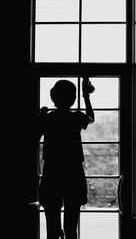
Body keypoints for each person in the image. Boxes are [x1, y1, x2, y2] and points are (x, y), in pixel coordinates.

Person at [37, 77, 95, 239]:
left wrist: (40, 116)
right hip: (73, 172)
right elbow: (90, 117)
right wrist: (86, 96)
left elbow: (34, 138)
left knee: (52, 227)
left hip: (52, 172)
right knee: (71, 227)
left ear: (53, 97)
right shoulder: (76, 117)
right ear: (73, 98)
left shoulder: (47, 118)